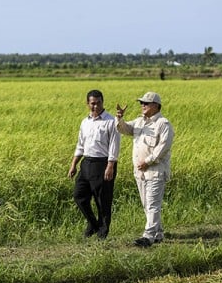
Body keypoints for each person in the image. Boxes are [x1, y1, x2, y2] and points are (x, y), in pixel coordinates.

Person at [115, 91, 174, 248]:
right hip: (140, 171)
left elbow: (163, 147)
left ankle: (148, 236)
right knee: (147, 204)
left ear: (155, 105)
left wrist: (148, 162)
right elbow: (125, 129)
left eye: (146, 103)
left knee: (153, 204)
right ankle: (158, 233)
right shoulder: (140, 121)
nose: (142, 106)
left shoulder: (163, 124)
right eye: (141, 103)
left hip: (155, 170)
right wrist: (120, 118)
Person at [68, 89, 120, 240]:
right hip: (87, 163)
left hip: (103, 163)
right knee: (79, 196)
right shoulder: (85, 122)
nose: (95, 106)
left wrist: (110, 166)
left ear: (103, 102)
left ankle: (102, 233)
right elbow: (80, 145)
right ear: (87, 104)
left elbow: (114, 146)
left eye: (98, 103)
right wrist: (74, 165)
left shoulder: (111, 121)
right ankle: (93, 224)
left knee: (102, 200)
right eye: (92, 103)